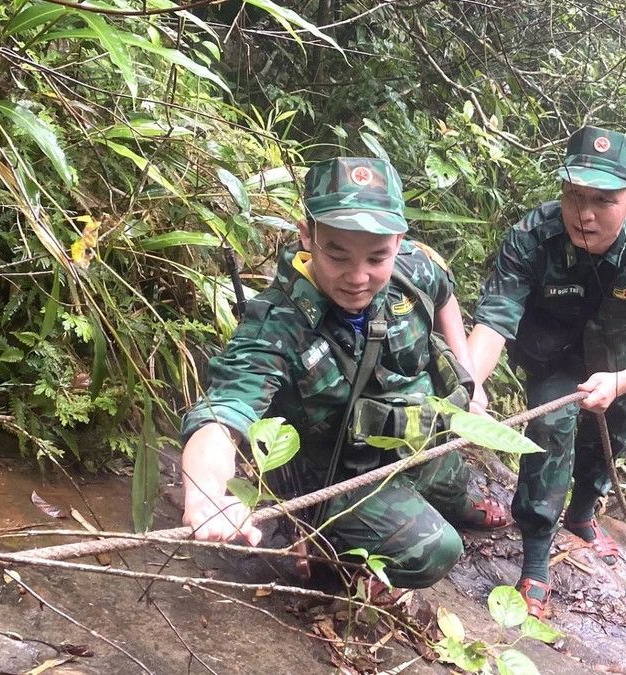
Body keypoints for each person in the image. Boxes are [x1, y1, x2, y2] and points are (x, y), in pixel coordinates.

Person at [179, 157, 509, 591]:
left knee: (456, 488)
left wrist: (470, 381)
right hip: (340, 472)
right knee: (436, 549)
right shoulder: (278, 324)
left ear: (398, 241)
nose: (357, 277)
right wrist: (204, 494)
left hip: (417, 438)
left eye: (377, 257)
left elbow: (444, 293)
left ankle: (458, 504)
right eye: (337, 253)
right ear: (307, 236)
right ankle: (329, 548)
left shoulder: (412, 268)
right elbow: (223, 415)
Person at [466, 125, 626, 618]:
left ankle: (584, 514)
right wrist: (470, 383)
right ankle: (536, 562)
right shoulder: (531, 237)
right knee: (549, 431)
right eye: (573, 196)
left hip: (621, 362)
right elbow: (495, 317)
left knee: (611, 436)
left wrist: (622, 381)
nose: (583, 213)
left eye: (602, 201)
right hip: (554, 354)